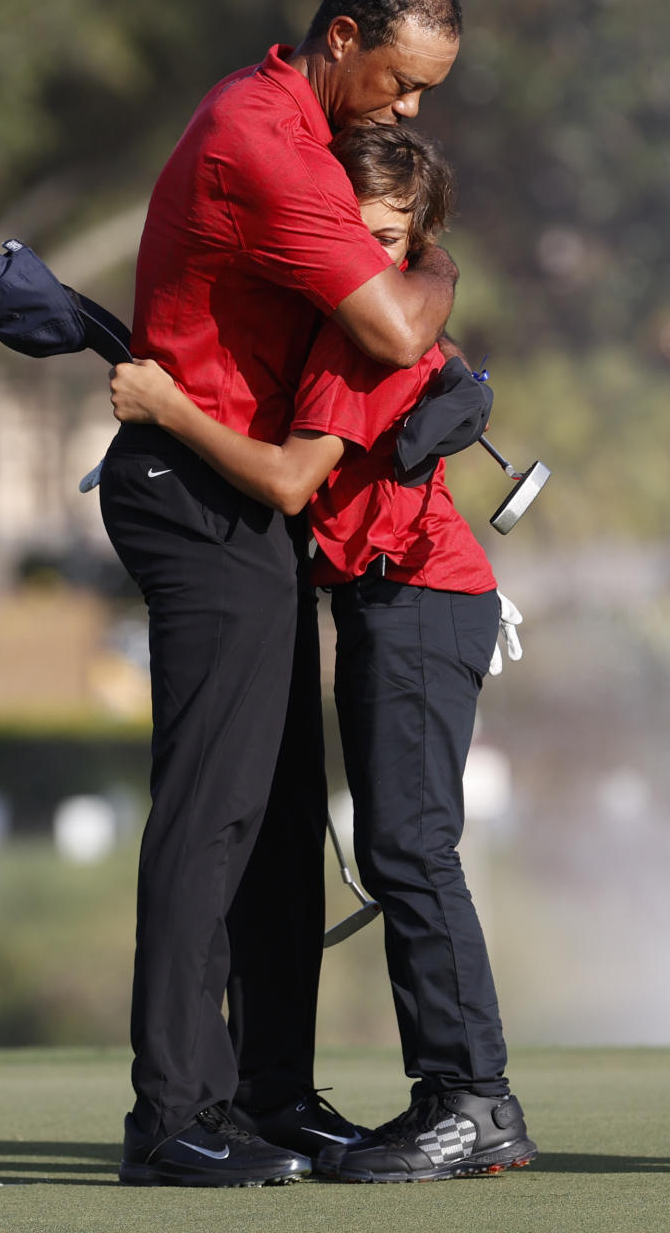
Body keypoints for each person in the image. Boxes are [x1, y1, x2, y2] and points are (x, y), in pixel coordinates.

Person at [113, 123, 538, 1183]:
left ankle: (471, 1102)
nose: (367, 251)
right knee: (403, 845)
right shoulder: (347, 314)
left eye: (393, 236)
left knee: (408, 850)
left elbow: (293, 484)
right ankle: (459, 1098)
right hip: (397, 602)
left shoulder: (359, 338)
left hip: (422, 601)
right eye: (353, 227)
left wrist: (168, 405)